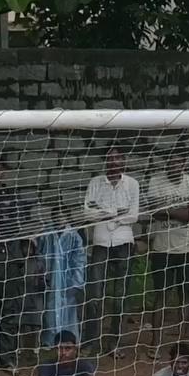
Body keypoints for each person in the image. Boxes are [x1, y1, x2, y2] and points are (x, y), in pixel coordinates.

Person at [146, 146, 189, 357]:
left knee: (186, 296)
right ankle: (155, 343)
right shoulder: (155, 181)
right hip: (163, 247)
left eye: (179, 161)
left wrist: (169, 210)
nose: (174, 165)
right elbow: (154, 213)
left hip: (188, 247)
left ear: (184, 163)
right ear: (166, 163)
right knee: (161, 295)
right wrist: (181, 211)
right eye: (171, 161)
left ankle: (182, 346)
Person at [82, 149, 140, 357]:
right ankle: (91, 342)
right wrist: (117, 212)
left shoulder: (132, 184)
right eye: (111, 158)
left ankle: (115, 344)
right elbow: (87, 213)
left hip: (124, 242)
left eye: (118, 157)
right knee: (95, 295)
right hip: (100, 242)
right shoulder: (96, 182)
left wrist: (105, 213)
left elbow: (133, 216)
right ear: (105, 161)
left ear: (124, 160)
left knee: (120, 296)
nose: (114, 161)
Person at [38, 206, 86, 347]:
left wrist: (77, 281)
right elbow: (40, 254)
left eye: (62, 216)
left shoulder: (74, 236)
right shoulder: (46, 234)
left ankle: (68, 339)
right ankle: (50, 340)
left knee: (68, 309)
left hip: (68, 280)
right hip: (51, 278)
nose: (59, 219)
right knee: (50, 309)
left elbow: (80, 260)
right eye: (57, 216)